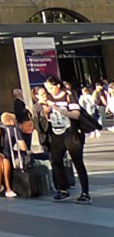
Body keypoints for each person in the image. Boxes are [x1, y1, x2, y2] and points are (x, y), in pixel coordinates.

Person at [43, 75, 90, 203]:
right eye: (47, 89)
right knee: (56, 161)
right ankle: (63, 189)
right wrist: (45, 110)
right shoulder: (48, 98)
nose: (49, 91)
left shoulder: (69, 95)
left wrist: (59, 109)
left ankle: (85, 192)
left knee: (77, 162)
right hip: (56, 132)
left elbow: (76, 114)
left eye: (51, 88)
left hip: (71, 132)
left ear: (58, 86)